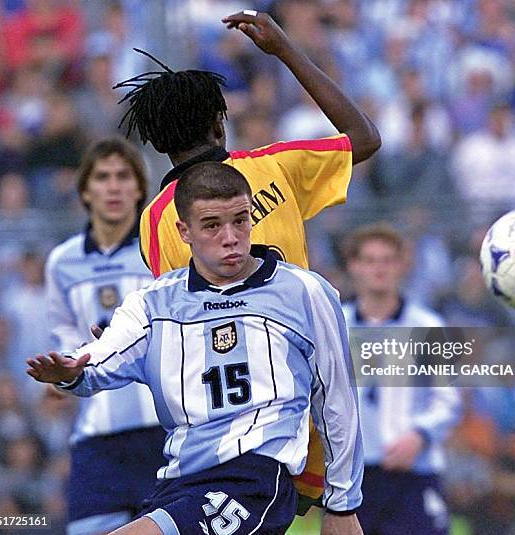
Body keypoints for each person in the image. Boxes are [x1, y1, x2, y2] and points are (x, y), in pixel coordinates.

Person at [115, 9, 381, 511]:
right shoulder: (274, 166)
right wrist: (284, 51)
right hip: (308, 394)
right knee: (334, 512)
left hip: (230, 421)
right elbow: (364, 137)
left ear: (155, 143)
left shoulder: (156, 223)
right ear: (221, 121)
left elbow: (180, 327)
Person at [28, 161, 364, 535]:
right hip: (177, 482)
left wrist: (342, 503)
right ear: (183, 231)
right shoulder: (152, 303)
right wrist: (75, 371)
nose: (231, 236)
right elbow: (106, 354)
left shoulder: (304, 292)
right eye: (212, 225)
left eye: (241, 220)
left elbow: (337, 400)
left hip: (252, 479)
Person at [44, 137, 163, 534]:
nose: (113, 187)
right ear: (85, 191)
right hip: (97, 439)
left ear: (140, 189)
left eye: (124, 176)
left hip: (164, 433)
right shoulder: (62, 261)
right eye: (102, 177)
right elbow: (63, 329)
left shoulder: (162, 250)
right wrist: (61, 369)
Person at [342, 223, 461, 535]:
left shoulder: (428, 326)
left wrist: (419, 436)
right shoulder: (334, 325)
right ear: (354, 266)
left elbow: (448, 400)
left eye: (388, 260)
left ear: (402, 266)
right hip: (353, 477)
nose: (379, 269)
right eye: (370, 260)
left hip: (415, 471)